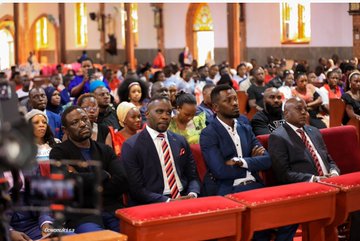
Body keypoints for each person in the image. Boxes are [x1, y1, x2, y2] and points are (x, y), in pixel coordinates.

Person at [199, 84, 296, 241]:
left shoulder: (245, 128)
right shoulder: (209, 134)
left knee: (291, 214)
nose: (235, 103)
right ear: (216, 107)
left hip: (255, 186)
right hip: (229, 190)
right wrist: (252, 164)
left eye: (235, 99)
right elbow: (220, 171)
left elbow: (266, 160)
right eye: (228, 100)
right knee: (257, 225)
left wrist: (240, 162)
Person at [49, 106, 128, 233]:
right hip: (82, 214)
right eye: (75, 122)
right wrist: (101, 175)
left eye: (84, 119)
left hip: (112, 209)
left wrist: (83, 183)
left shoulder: (105, 150)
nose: (82, 124)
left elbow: (122, 180)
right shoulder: (59, 152)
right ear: (65, 130)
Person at [121, 96, 201, 205]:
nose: (165, 116)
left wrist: (193, 194)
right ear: (147, 114)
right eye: (159, 111)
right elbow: (137, 190)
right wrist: (168, 201)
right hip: (154, 201)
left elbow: (193, 177)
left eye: (168, 113)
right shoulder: (131, 146)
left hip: (185, 196)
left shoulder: (180, 140)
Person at [268, 97, 340, 184]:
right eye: (299, 109)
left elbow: (328, 160)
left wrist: (334, 172)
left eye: (305, 109)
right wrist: (315, 179)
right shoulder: (278, 137)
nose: (303, 112)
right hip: (308, 185)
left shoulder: (314, 131)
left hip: (332, 181)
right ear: (286, 113)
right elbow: (283, 174)